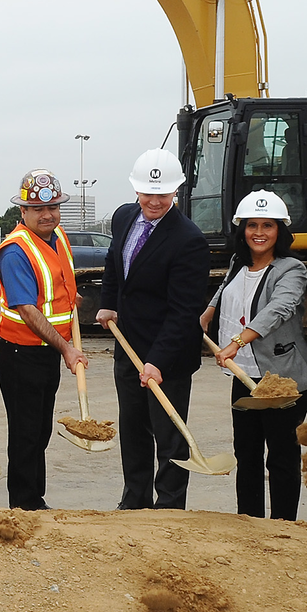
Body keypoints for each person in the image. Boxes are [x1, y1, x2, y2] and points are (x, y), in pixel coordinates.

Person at [96, 148, 209, 510]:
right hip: (127, 347)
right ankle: (135, 501)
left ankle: (170, 509)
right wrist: (109, 301)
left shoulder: (188, 240)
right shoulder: (125, 217)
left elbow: (183, 311)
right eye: (148, 192)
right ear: (135, 190)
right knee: (133, 430)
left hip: (169, 354)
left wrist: (157, 360)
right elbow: (115, 264)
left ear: (175, 191)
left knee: (170, 435)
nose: (155, 200)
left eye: (163, 193)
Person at [198, 190, 307, 522]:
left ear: (281, 230)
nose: (259, 233)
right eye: (252, 225)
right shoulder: (240, 262)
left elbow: (279, 309)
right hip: (244, 376)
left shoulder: (291, 269)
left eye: (268, 225)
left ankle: (283, 526)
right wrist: (208, 312)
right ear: (242, 229)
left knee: (281, 454)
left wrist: (237, 340)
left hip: (283, 378)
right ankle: (249, 522)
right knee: (247, 453)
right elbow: (225, 287)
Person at [0, 169, 87, 512]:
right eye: (38, 210)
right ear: (24, 212)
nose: (48, 215)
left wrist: (68, 302)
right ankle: (24, 505)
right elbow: (29, 310)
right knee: (26, 433)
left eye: (54, 208)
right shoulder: (15, 251)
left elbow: (58, 283)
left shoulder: (57, 236)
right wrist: (67, 349)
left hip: (47, 352)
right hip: (21, 354)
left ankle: (35, 498)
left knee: (40, 429)